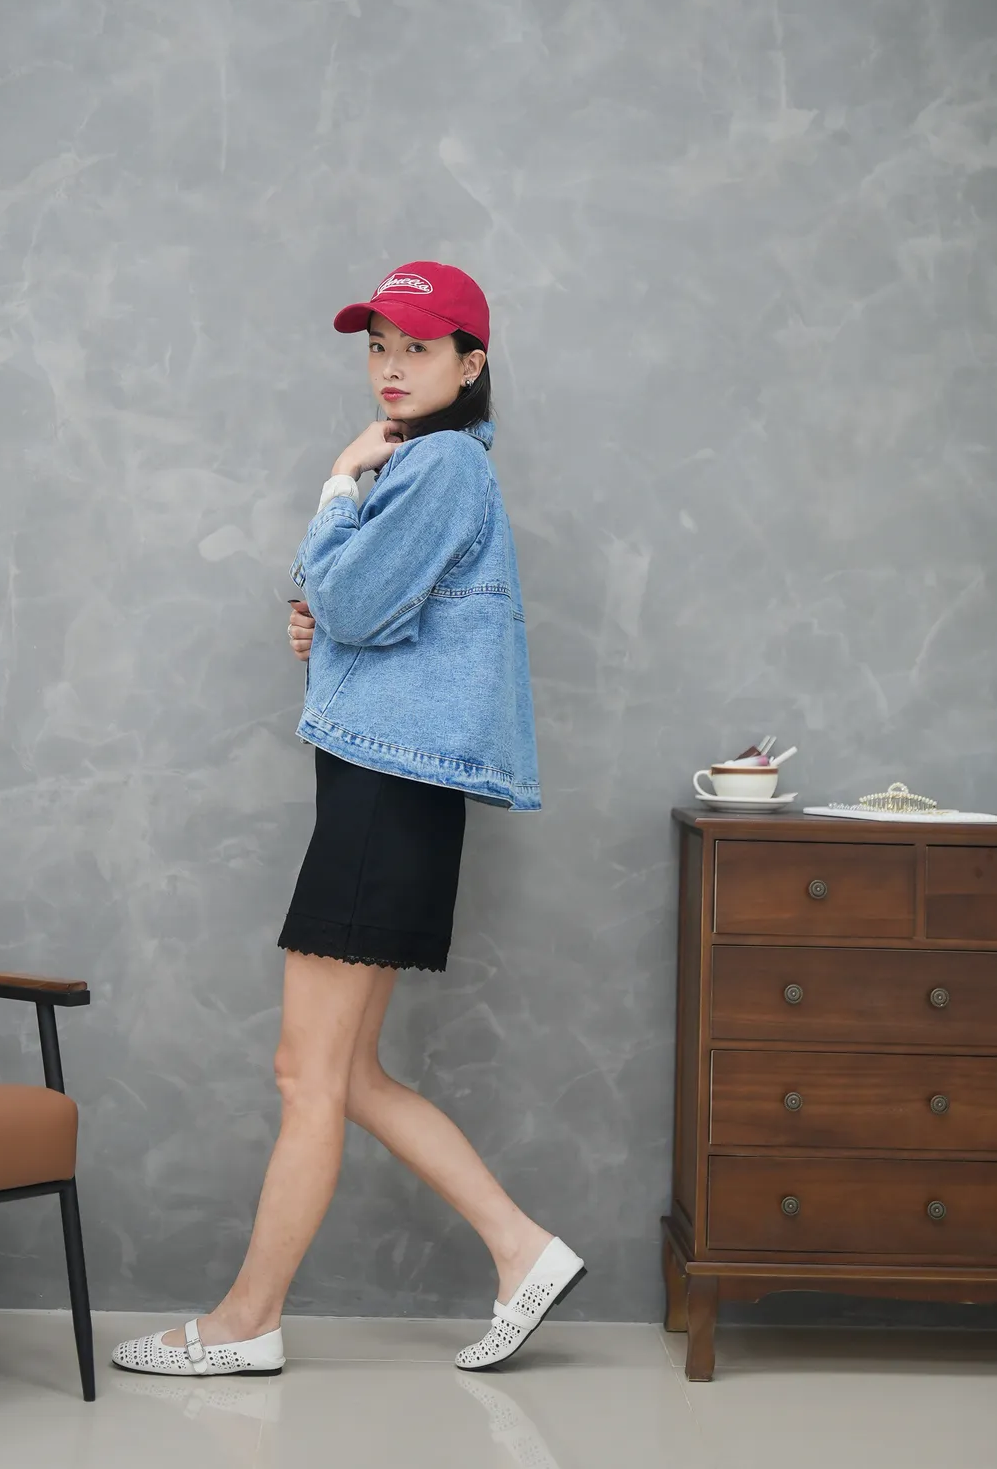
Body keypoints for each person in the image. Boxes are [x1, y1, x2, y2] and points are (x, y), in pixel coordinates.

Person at [113, 263, 585, 1381]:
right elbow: (352, 612)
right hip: (387, 789)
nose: (390, 367)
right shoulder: (434, 468)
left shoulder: (438, 465)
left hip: (383, 793)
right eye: (378, 346)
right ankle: (522, 1249)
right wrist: (326, 616)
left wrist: (335, 488)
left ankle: (245, 1322)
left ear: (471, 362)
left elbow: (354, 601)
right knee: (348, 1074)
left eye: (417, 347)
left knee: (306, 1075)